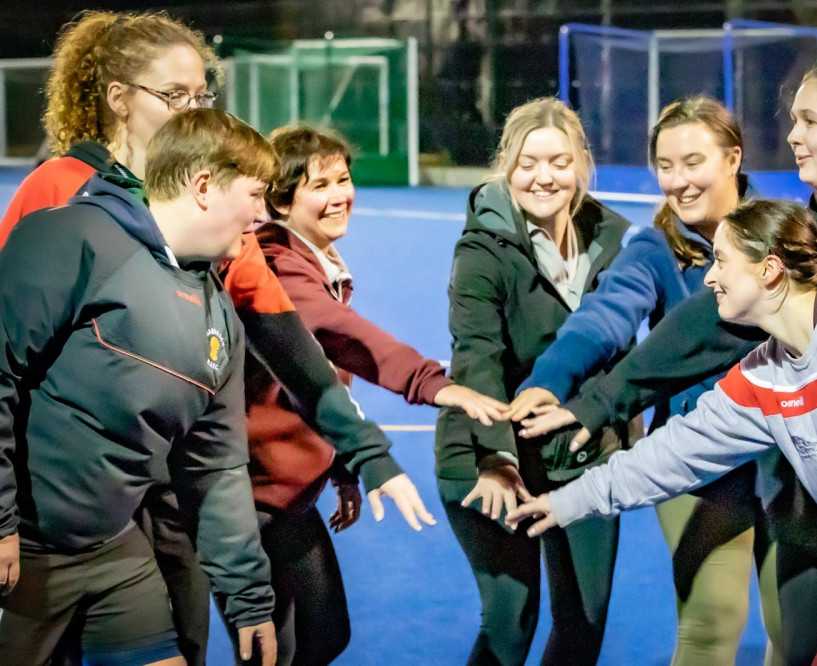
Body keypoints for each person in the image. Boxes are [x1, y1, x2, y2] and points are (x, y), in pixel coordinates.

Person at [514, 58, 817, 663]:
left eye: (808, 120)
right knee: (790, 647)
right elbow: (692, 344)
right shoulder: (790, 247)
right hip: (811, 511)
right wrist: (590, 415)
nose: (791, 134)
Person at [0, 11, 433, 664]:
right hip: (58, 513)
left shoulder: (219, 214)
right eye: (173, 95)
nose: (190, 109)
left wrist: (363, 451)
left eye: (201, 95)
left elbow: (295, 351)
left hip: (169, 499)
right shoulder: (58, 195)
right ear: (118, 98)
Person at [507, 97, 781, 666]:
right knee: (709, 629)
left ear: (733, 159)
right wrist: (553, 378)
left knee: (800, 636)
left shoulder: (785, 233)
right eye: (664, 164)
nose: (677, 182)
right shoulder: (655, 249)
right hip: (703, 463)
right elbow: (605, 315)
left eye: (693, 162)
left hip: (793, 462)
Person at [0, 108, 279, 666]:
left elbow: (217, 467)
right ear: (204, 187)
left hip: (113, 551)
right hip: (20, 552)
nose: (262, 215)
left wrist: (249, 599)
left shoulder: (218, 314)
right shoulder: (70, 237)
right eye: (255, 195)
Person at [233, 125, 506, 665]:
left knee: (312, 637)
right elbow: (346, 338)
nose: (340, 194)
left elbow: (314, 377)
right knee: (280, 646)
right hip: (253, 494)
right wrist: (431, 382)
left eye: (343, 178)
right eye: (320, 186)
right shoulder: (277, 264)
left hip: (281, 487)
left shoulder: (313, 259)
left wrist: (338, 467)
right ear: (281, 201)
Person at [435, 97, 632, 665]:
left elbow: (625, 352)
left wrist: (626, 433)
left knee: (584, 623)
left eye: (558, 161)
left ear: (580, 166)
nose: (543, 177)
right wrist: (496, 459)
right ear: (506, 165)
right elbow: (477, 358)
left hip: (579, 449)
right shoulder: (481, 251)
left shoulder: (614, 239)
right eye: (528, 163)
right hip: (493, 453)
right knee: (511, 621)